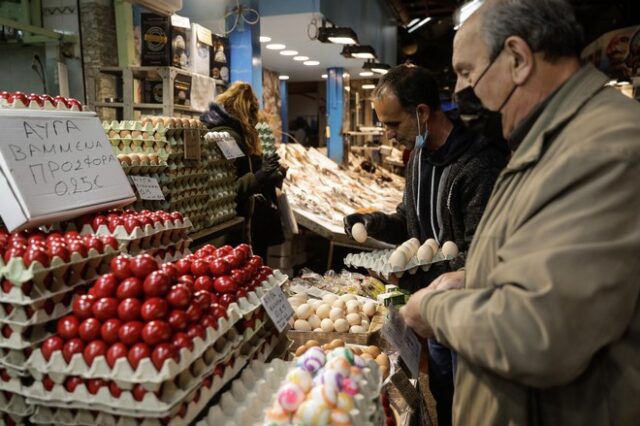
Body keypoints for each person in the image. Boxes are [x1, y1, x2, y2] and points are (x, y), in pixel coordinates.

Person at [400, 1, 640, 425]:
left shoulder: (603, 148)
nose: (458, 92)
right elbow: (552, 258)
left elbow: (541, 333)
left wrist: (432, 311)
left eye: (467, 72)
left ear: (517, 59)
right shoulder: (548, 140)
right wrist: (474, 276)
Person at [343, 64, 507, 426]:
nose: (387, 135)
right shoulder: (418, 160)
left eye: (393, 124)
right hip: (434, 311)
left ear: (421, 113)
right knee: (444, 393)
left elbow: (484, 254)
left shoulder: (477, 164)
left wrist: (421, 275)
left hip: (470, 315)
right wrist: (372, 223)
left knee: (473, 403)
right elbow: (409, 222)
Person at [200, 82, 285, 258]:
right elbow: (227, 191)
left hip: (232, 223)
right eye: (254, 112)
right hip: (232, 228)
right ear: (246, 112)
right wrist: (261, 175)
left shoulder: (228, 134)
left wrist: (270, 173)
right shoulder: (229, 137)